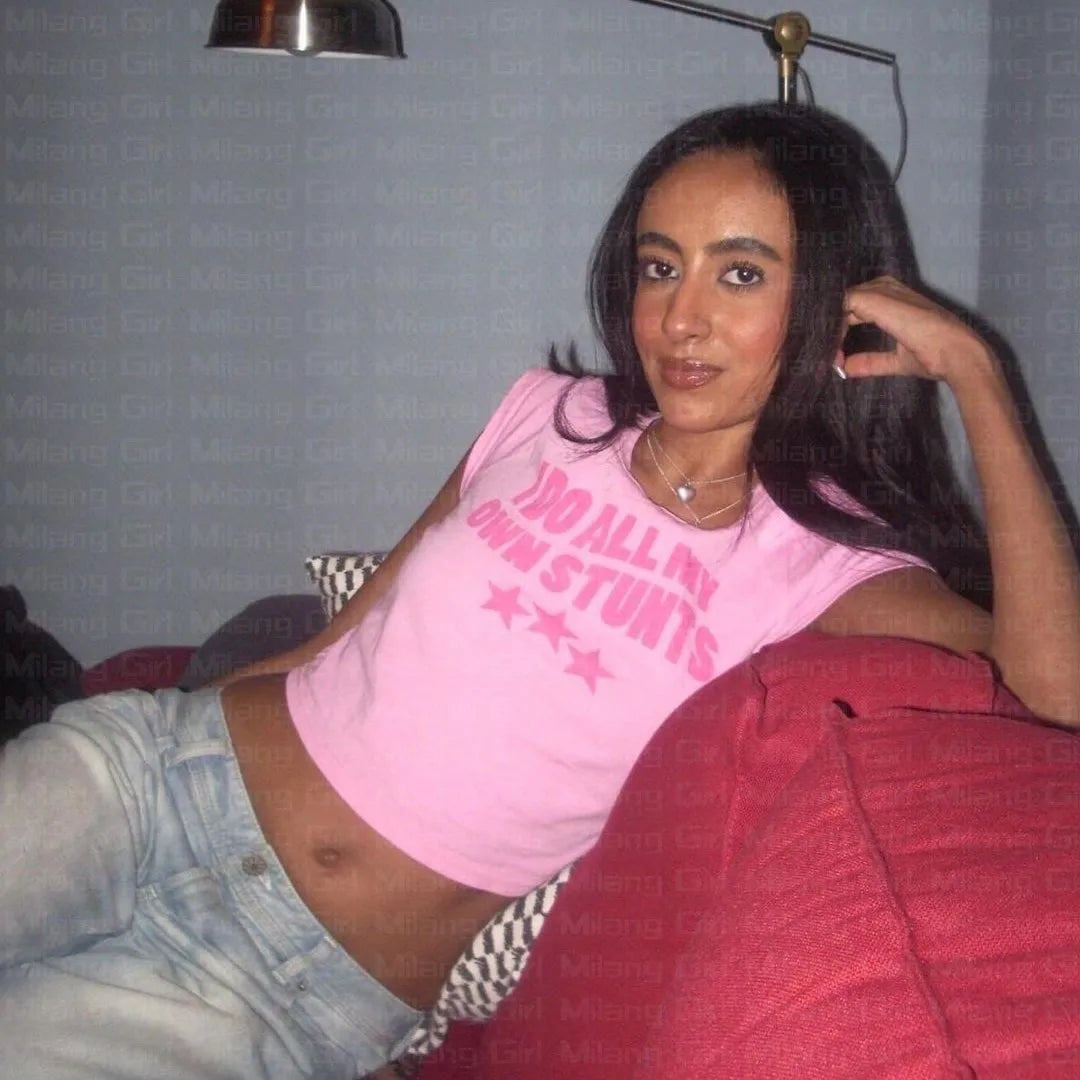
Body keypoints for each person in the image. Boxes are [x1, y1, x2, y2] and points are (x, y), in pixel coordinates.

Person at [3, 102, 1078, 1080]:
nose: (681, 318)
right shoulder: (551, 413)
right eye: (660, 266)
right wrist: (183, 706)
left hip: (275, 985)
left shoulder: (829, 570)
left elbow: (1054, 699)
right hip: (146, 779)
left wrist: (980, 375)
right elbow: (354, 625)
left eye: (741, 275)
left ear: (833, 302)